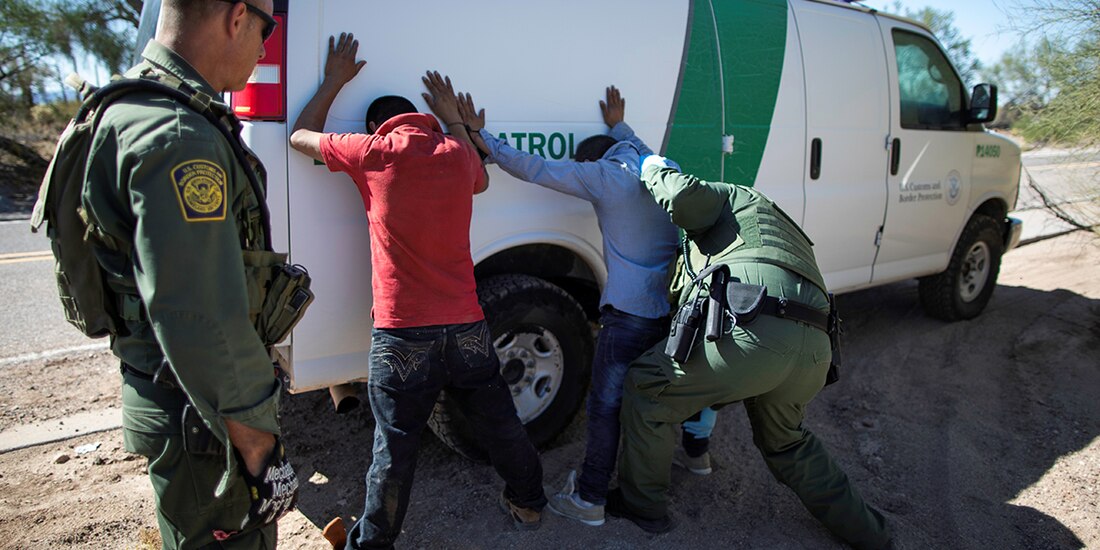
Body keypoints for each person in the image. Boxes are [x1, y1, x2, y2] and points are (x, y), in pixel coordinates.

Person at [288, 35, 546, 548]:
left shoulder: (371, 152)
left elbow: (300, 136)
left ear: (375, 128)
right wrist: (455, 119)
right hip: (468, 326)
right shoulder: (455, 154)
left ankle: (373, 544)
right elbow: (482, 182)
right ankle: (529, 503)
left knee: (395, 447)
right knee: (500, 421)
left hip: (403, 335)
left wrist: (335, 80)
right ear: (422, 120)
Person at [80, 0, 298, 547]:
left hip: (178, 401)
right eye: (268, 28)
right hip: (206, 422)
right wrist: (258, 447)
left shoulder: (128, 105)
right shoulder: (179, 135)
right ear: (236, 16)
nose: (266, 45)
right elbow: (202, 315)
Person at [608, 156, 893, 550]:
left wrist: (651, 165)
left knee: (648, 388)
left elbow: (682, 196)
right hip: (815, 346)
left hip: (754, 331)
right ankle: (871, 533)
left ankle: (641, 505)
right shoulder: (777, 227)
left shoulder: (733, 196)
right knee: (788, 443)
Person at [455, 87, 679, 526]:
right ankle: (692, 455)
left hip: (629, 315)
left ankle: (591, 496)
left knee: (605, 406)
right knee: (652, 403)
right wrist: (620, 125)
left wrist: (485, 140)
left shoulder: (604, 177)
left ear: (592, 162)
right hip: (668, 310)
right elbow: (638, 146)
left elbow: (538, 169)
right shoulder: (660, 168)